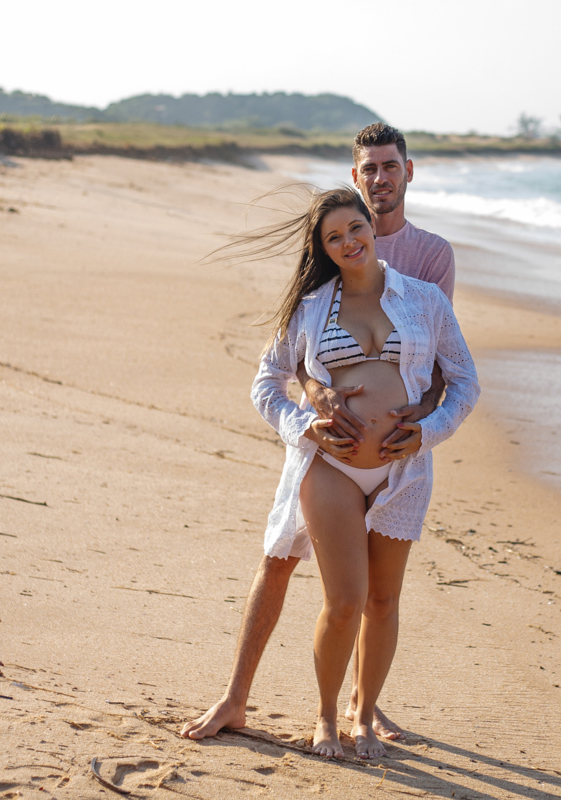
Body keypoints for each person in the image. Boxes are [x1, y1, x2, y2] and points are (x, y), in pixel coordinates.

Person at [182, 124, 457, 743]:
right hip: (325, 452)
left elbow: (439, 363)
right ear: (355, 179)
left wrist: (421, 425)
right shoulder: (327, 255)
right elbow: (297, 362)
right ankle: (236, 697)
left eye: (391, 167)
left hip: (398, 458)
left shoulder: (429, 262)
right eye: (369, 169)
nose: (381, 178)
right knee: (280, 562)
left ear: (407, 173)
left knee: (374, 596)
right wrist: (312, 399)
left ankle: (363, 706)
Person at [251, 186, 476, 757]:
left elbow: (465, 382)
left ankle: (364, 718)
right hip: (331, 467)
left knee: (383, 602)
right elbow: (265, 383)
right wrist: (304, 426)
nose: (348, 241)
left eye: (355, 229)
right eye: (334, 237)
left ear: (372, 230)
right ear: (324, 249)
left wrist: (427, 432)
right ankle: (326, 716)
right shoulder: (309, 308)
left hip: (404, 472)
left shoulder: (425, 300)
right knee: (345, 598)